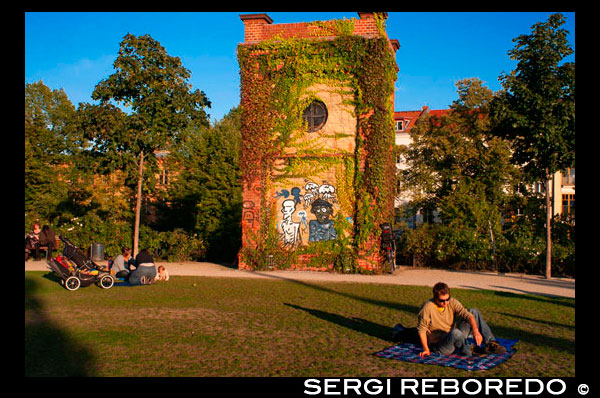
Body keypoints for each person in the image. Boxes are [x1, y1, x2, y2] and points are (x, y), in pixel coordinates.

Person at [417, 282, 506, 358]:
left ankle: (491, 343)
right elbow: (422, 330)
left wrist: (475, 330)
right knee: (455, 333)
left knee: (473, 311)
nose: (445, 303)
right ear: (435, 298)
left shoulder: (451, 302)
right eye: (442, 300)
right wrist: (426, 349)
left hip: (453, 336)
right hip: (440, 344)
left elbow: (467, 315)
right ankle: (471, 350)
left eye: (447, 299)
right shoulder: (427, 308)